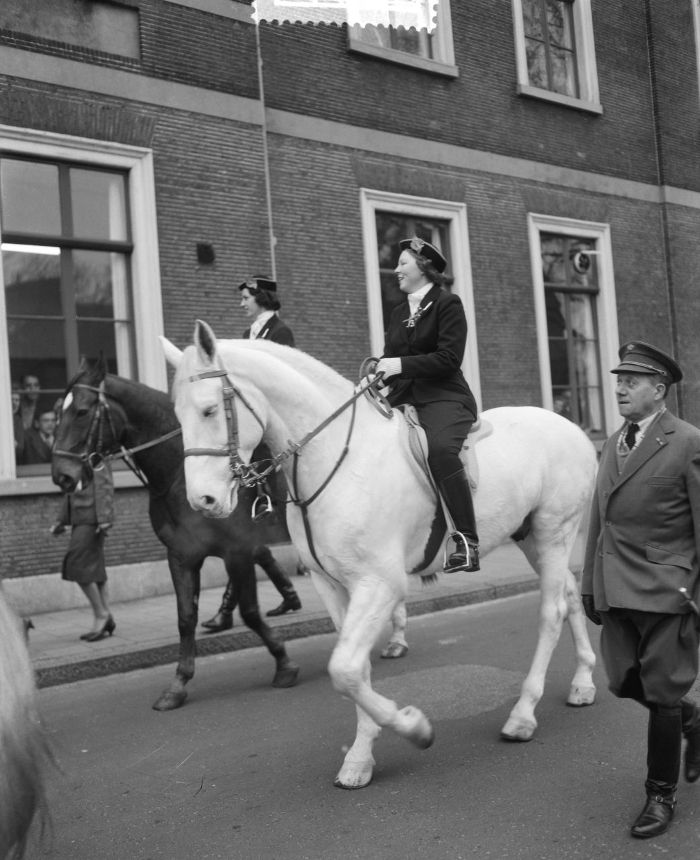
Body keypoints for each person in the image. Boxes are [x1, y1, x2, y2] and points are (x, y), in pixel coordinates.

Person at [581, 340, 700, 839]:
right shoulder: (613, 442)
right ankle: (693, 720)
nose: (621, 388)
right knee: (622, 680)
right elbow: (598, 518)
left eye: (632, 381)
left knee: (662, 693)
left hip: (667, 589)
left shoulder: (687, 441)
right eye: (619, 380)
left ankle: (659, 794)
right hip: (616, 586)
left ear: (660, 389)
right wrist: (589, 582)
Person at [200, 276, 303, 632]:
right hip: (249, 431)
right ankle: (286, 595)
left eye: (246, 297)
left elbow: (281, 380)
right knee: (245, 533)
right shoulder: (247, 336)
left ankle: (229, 611)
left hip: (267, 432)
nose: (242, 302)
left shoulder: (281, 332)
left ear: (261, 297)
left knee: (244, 530)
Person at [373, 237, 480, 573]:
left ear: (423, 267)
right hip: (402, 397)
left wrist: (399, 366)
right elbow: (390, 361)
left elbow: (449, 359)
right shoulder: (398, 312)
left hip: (444, 396)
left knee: (439, 449)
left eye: (403, 263)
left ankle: (466, 540)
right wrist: (374, 379)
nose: (396, 270)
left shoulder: (448, 304)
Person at [51, 462, 116, 641]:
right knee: (95, 568)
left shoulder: (96, 453)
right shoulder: (75, 453)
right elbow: (72, 491)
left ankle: (101, 614)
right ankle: (106, 616)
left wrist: (104, 518)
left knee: (76, 564)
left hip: (94, 519)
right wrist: (62, 520)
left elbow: (104, 486)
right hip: (80, 518)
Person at [11, 383, 25, 464]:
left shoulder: (18, 420)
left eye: (17, 400)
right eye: (11, 399)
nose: (14, 403)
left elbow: (20, 448)